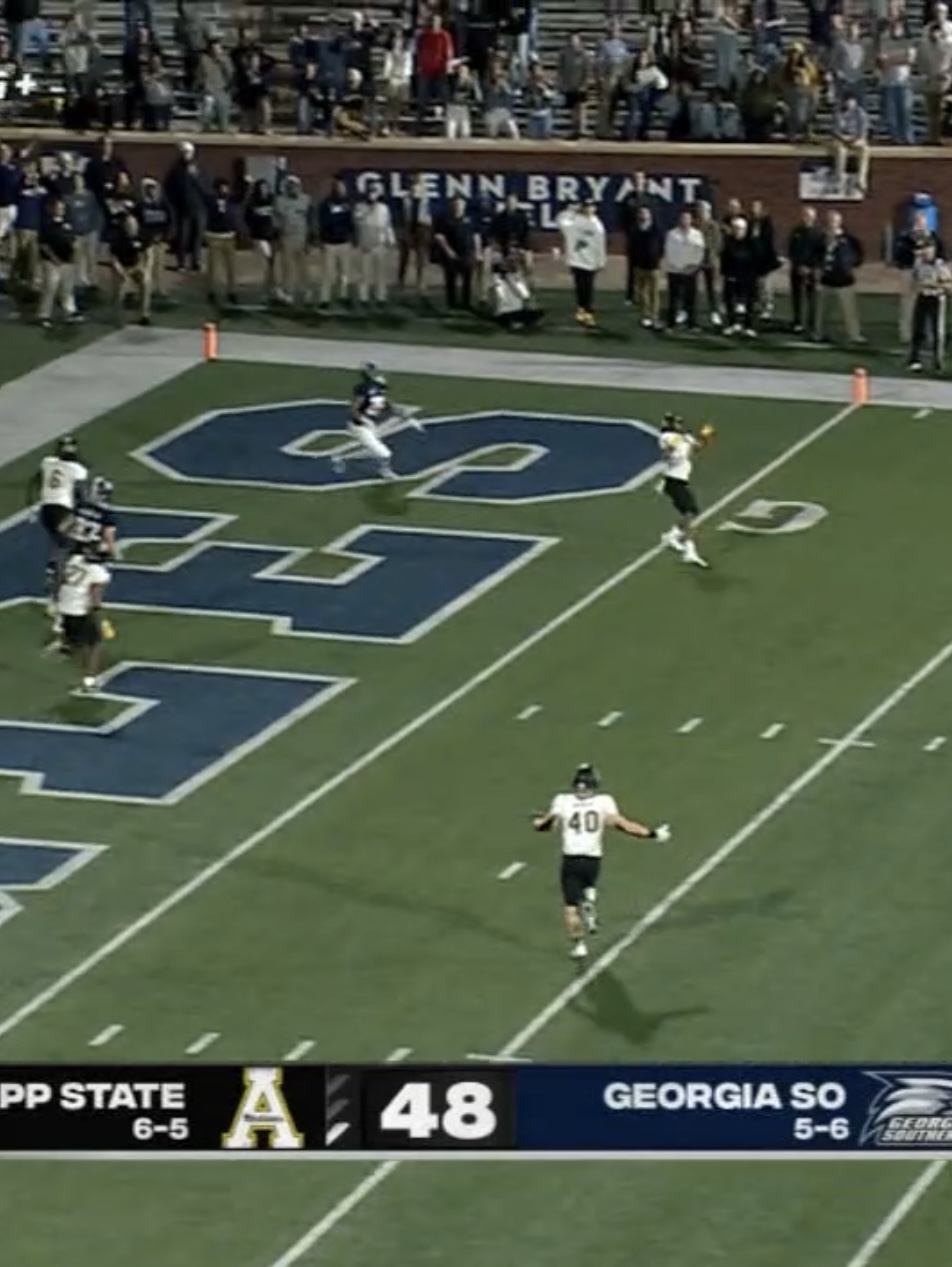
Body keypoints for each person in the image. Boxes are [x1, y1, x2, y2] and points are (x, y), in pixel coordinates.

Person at [532, 763, 671, 960]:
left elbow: (545, 825)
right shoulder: (604, 802)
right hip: (592, 860)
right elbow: (623, 825)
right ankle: (589, 898)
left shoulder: (562, 801)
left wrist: (538, 823)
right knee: (588, 886)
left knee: (570, 908)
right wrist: (652, 834)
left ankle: (579, 945)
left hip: (571, 859)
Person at [26, 436, 88, 613]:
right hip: (62, 511)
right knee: (71, 547)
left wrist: (32, 505)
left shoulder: (48, 462)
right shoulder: (77, 469)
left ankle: (52, 570)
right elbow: (82, 494)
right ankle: (57, 592)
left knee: (58, 544)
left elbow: (34, 482)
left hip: (47, 510)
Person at [330, 363, 422, 480]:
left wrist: (408, 418)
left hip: (370, 425)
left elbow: (390, 406)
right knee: (384, 453)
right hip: (360, 426)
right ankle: (385, 471)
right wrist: (362, 420)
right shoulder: (366, 392)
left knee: (372, 451)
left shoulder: (377, 394)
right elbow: (353, 409)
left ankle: (342, 457)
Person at [54, 544, 113, 694]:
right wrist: (100, 619)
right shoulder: (99, 572)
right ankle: (89, 681)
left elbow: (59, 578)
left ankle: (66, 647)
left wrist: (55, 599)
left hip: (64, 604)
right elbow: (95, 599)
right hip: (79, 610)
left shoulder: (75, 559)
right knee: (94, 644)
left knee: (69, 629)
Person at [657, 413, 714, 568]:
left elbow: (696, 448)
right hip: (673, 480)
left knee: (691, 513)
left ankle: (672, 535)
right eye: (677, 423)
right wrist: (675, 444)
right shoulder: (666, 437)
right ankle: (689, 550)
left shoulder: (684, 437)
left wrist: (705, 436)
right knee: (690, 513)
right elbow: (666, 456)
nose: (680, 425)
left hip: (681, 480)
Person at [557, 198, 606, 328]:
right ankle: (583, 311)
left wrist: (601, 260)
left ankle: (587, 312)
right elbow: (561, 221)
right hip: (577, 260)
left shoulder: (597, 223)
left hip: (591, 261)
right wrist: (570, 210)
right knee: (580, 288)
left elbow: (601, 244)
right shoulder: (575, 221)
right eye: (586, 206)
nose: (589, 209)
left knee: (588, 288)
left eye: (591, 206)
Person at [908, 242, 952, 373]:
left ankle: (937, 361)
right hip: (922, 297)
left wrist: (933, 284)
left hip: (936, 299)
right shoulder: (919, 264)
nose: (925, 253)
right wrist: (917, 286)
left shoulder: (940, 266)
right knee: (918, 328)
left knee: (937, 331)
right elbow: (915, 279)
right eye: (924, 249)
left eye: (928, 250)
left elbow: (949, 286)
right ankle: (915, 359)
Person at [37, 197, 81, 329]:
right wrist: (54, 258)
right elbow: (43, 244)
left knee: (67, 288)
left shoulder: (68, 224)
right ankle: (44, 315)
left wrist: (74, 254)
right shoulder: (46, 224)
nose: (60, 210)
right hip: (51, 261)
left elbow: (74, 240)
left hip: (68, 261)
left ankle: (70, 312)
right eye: (58, 208)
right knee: (50, 287)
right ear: (52, 209)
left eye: (62, 208)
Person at [787, 205, 824, 335]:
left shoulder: (819, 233)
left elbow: (820, 253)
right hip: (797, 269)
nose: (807, 218)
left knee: (811, 297)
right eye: (805, 215)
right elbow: (791, 250)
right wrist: (798, 265)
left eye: (809, 216)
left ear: (814, 217)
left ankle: (811, 322)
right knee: (797, 296)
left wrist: (810, 267)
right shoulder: (796, 231)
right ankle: (797, 321)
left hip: (811, 270)